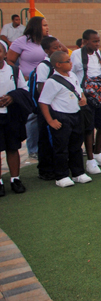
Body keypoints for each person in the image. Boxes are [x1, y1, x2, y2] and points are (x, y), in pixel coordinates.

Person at [38, 51, 92, 188]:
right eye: (67, 61)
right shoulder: (52, 81)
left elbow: (78, 90)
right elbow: (43, 102)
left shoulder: (72, 75)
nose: (71, 63)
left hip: (76, 114)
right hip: (62, 116)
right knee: (61, 147)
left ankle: (78, 172)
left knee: (76, 145)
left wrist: (83, 98)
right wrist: (50, 121)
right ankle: (61, 175)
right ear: (58, 64)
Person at [71, 30, 101, 175]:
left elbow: (97, 70)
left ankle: (97, 154)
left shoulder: (97, 53)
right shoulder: (76, 55)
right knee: (88, 128)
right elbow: (72, 74)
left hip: (100, 94)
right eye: (94, 41)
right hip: (86, 95)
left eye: (98, 41)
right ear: (85, 41)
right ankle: (90, 160)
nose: (97, 44)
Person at [7, 16, 50, 160]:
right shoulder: (22, 41)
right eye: (44, 25)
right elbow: (10, 60)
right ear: (36, 27)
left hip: (49, 82)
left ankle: (49, 144)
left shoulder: (48, 40)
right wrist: (21, 75)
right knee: (33, 115)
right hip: (31, 83)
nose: (47, 28)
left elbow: (60, 52)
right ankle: (33, 148)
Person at [0, 40, 32, 195]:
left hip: (11, 116)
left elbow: (24, 90)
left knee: (13, 148)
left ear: (5, 54)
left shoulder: (14, 70)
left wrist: (12, 97)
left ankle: (15, 178)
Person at [33, 36, 63, 180]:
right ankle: (45, 169)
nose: (58, 49)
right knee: (45, 138)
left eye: (59, 46)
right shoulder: (44, 66)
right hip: (46, 107)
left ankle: (59, 165)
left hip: (59, 106)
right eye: (54, 48)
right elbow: (41, 87)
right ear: (46, 51)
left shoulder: (60, 64)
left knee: (58, 136)